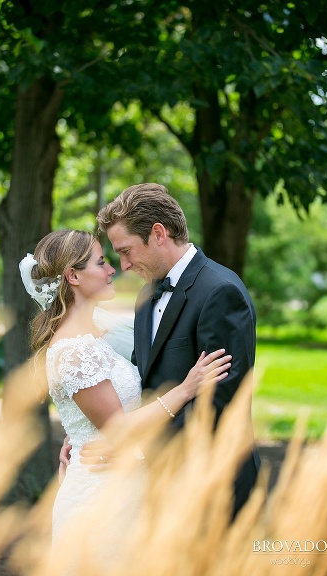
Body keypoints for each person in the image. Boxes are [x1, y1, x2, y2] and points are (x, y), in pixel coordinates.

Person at [20, 230, 232, 567]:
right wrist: (186, 388)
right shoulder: (74, 350)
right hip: (101, 497)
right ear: (73, 276)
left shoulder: (95, 336)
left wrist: (77, 436)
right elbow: (117, 427)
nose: (112, 270)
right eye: (101, 262)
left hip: (123, 484)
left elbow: (95, 412)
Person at [94, 183, 261, 518]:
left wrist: (138, 448)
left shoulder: (220, 292)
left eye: (126, 251)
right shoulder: (145, 297)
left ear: (158, 233)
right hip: (159, 486)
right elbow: (139, 381)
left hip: (213, 485)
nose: (123, 265)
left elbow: (218, 404)